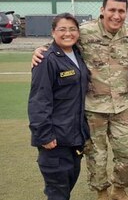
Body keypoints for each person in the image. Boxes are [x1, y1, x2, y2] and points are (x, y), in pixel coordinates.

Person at [32, 0, 128, 200]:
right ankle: (101, 192)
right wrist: (39, 50)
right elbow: (59, 44)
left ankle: (119, 189)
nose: (116, 15)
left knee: (126, 154)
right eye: (112, 10)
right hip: (93, 109)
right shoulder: (84, 32)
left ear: (126, 13)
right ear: (102, 10)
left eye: (121, 11)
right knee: (96, 156)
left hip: (122, 108)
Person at [28, 13, 90, 200]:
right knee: (57, 192)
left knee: (66, 187)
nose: (67, 33)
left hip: (74, 137)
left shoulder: (77, 54)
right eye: (62, 29)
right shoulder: (46, 60)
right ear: (53, 32)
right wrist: (44, 135)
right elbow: (39, 100)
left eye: (72, 29)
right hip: (55, 140)